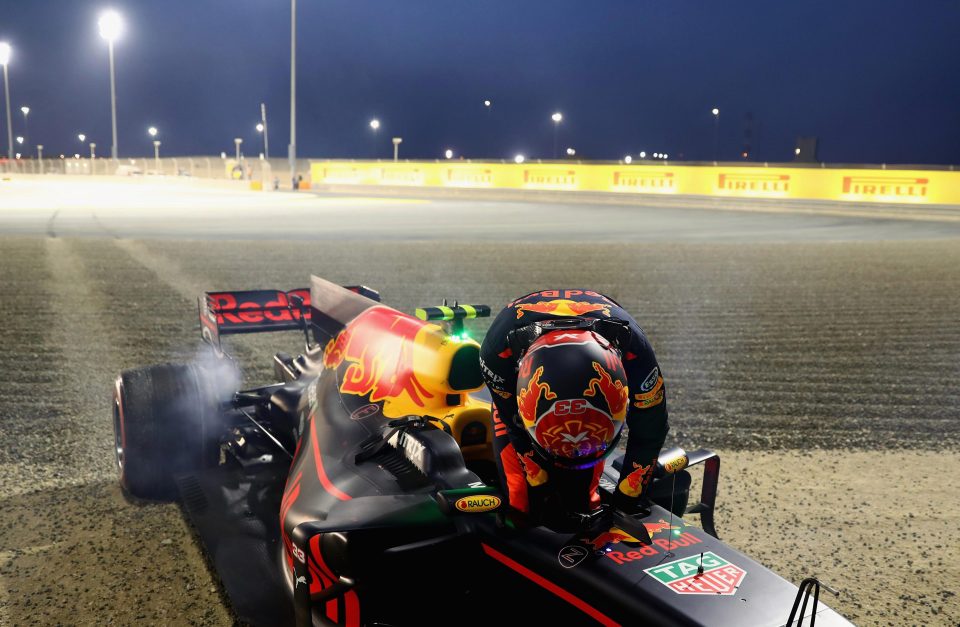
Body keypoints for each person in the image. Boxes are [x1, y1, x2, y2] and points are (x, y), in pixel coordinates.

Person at [479, 289, 668, 530]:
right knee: (522, 498)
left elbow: (650, 429)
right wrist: (537, 478)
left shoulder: (636, 351)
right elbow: (512, 423)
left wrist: (628, 498)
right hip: (513, 372)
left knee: (586, 494)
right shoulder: (496, 354)